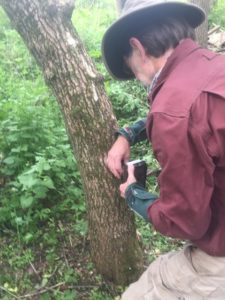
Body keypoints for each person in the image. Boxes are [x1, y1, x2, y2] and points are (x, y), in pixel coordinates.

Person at [101, 0, 225, 299]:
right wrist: (129, 133)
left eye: (128, 62)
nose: (134, 73)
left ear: (138, 48)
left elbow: (187, 222)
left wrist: (134, 194)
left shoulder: (173, 112)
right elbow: (195, 110)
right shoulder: (214, 65)